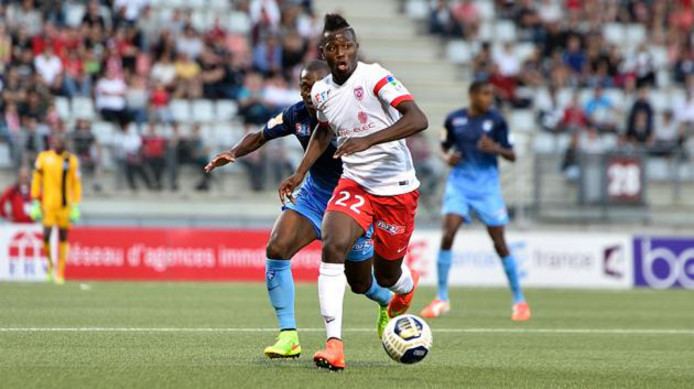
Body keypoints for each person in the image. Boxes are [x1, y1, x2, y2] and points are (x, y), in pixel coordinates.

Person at [206, 60, 393, 360]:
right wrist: (233, 152)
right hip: (314, 198)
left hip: (352, 201)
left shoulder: (350, 112)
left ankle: (386, 300)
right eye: (303, 85)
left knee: (360, 283)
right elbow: (261, 134)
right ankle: (288, 336)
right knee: (277, 248)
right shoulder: (295, 114)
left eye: (314, 85)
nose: (308, 91)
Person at [278, 14, 428, 370]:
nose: (340, 52)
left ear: (356, 49)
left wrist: (367, 140)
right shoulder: (321, 91)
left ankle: (406, 286)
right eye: (333, 47)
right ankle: (334, 345)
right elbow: (324, 132)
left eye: (346, 45)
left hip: (396, 189)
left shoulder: (375, 77)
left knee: (387, 276)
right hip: (356, 183)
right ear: (324, 52)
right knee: (332, 244)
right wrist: (301, 172)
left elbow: (417, 119)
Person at [420, 80, 531, 322]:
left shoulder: (497, 121)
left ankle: (519, 300)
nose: (489, 98)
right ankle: (441, 297)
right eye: (484, 94)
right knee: (448, 234)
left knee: (499, 242)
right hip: (459, 185)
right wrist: (448, 158)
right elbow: (443, 147)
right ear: (472, 95)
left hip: (487, 189)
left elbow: (511, 154)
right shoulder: (454, 119)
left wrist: (495, 148)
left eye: (491, 94)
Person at [30, 134, 82, 284]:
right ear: (52, 142)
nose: (58, 143)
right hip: (48, 205)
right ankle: (50, 266)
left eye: (61, 141)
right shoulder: (44, 158)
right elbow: (36, 179)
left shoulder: (71, 160)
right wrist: (34, 201)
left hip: (65, 207)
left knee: (63, 237)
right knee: (46, 236)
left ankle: (60, 272)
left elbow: (76, 184)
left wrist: (76, 205)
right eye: (56, 140)